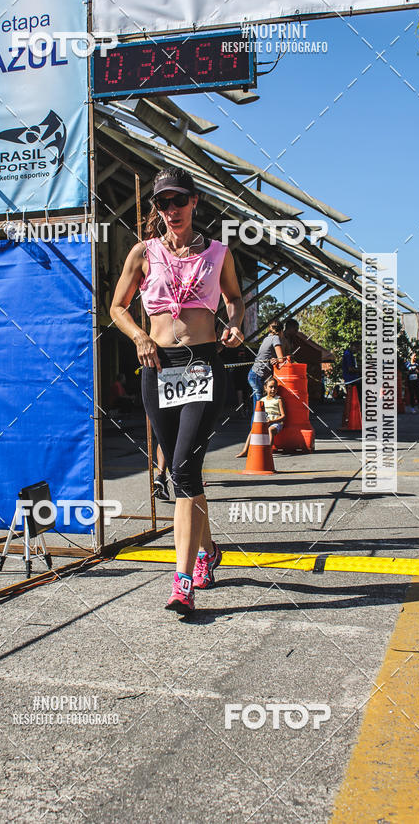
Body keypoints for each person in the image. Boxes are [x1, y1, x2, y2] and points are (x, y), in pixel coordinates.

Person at [110, 166, 244, 613]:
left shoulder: (218, 253)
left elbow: (235, 300)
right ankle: (208, 552)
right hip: (157, 368)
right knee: (181, 475)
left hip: (204, 364)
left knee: (184, 468)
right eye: (163, 204)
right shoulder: (142, 253)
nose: (172, 210)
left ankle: (182, 582)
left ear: (194, 203)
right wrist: (140, 337)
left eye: (179, 201)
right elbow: (117, 306)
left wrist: (236, 325)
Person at [236, 320, 285, 457]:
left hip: (254, 374)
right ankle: (255, 438)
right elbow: (282, 359)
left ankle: (255, 438)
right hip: (257, 376)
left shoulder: (266, 338)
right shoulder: (275, 338)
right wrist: (279, 359)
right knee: (259, 409)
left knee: (259, 408)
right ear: (281, 331)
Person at [262, 377, 286, 447]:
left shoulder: (278, 399)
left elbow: (283, 416)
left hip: (276, 423)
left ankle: (268, 450)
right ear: (265, 388)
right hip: (266, 422)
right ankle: (245, 450)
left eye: (275, 387)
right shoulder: (262, 400)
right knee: (253, 431)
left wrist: (272, 421)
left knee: (270, 429)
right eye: (271, 387)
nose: (273, 389)